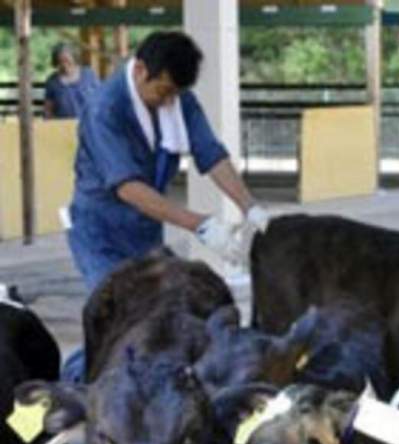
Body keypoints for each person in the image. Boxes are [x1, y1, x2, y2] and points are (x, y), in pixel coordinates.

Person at [62, 31, 269, 381]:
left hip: (145, 230)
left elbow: (211, 155)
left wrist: (250, 207)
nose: (169, 100)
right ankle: (75, 382)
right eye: (164, 91)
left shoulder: (177, 99)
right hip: (100, 232)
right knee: (120, 319)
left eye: (176, 93)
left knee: (164, 310)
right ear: (141, 70)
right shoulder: (105, 109)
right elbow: (128, 188)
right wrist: (200, 224)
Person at [43, 42, 100, 119]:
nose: (64, 64)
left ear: (74, 58)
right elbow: (48, 110)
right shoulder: (52, 81)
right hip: (62, 126)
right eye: (60, 61)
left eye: (67, 60)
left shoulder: (89, 75)